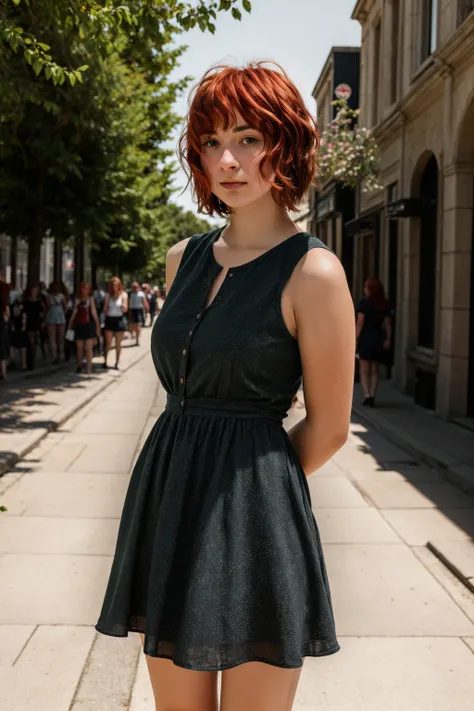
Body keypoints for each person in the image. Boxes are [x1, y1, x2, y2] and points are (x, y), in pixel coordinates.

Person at [95, 62, 355, 711]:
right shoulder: (183, 258)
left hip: (257, 520)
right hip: (170, 503)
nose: (228, 159)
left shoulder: (314, 272)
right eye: (211, 142)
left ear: (284, 143)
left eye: (247, 137)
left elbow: (329, 427)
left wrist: (252, 487)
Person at [356, 276, 392, 407]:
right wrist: (388, 339)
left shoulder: (363, 303)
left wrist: (355, 338)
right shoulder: (384, 303)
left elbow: (360, 322)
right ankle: (373, 394)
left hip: (365, 337)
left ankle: (367, 395)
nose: (364, 289)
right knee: (375, 369)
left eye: (366, 287)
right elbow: (388, 324)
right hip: (378, 336)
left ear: (370, 289)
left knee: (364, 369)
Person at [68, 282, 101, 375]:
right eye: (83, 288)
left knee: (88, 347)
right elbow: (74, 313)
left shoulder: (90, 299)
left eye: (86, 288)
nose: (84, 290)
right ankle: (79, 365)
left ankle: (88, 367)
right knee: (79, 348)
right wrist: (70, 325)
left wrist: (97, 326)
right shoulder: (77, 299)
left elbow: (94, 313)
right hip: (79, 325)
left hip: (88, 325)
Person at [103, 276, 128, 370]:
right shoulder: (108, 295)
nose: (114, 287)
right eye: (113, 285)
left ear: (119, 285)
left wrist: (123, 305)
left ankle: (117, 362)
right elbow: (105, 309)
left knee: (118, 343)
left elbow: (125, 309)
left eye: (116, 285)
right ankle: (105, 360)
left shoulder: (123, 294)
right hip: (109, 319)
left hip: (119, 320)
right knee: (108, 342)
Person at [23, 284, 46, 370]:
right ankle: (29, 360)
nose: (34, 293)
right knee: (31, 340)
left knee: (35, 341)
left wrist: (43, 322)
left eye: (36, 291)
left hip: (36, 322)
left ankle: (32, 360)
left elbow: (42, 312)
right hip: (29, 322)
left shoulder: (39, 302)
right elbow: (24, 312)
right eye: (33, 291)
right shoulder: (26, 301)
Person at [45, 280, 67, 364]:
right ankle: (60, 354)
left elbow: (47, 308)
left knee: (52, 338)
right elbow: (65, 307)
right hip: (60, 316)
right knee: (60, 337)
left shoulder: (48, 296)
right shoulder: (62, 296)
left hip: (51, 316)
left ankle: (54, 356)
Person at [9, 293, 28, 371]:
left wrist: (24, 325)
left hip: (20, 327)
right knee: (12, 345)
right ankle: (12, 361)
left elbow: (24, 316)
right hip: (14, 327)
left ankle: (23, 364)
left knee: (22, 346)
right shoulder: (12, 306)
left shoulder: (23, 307)